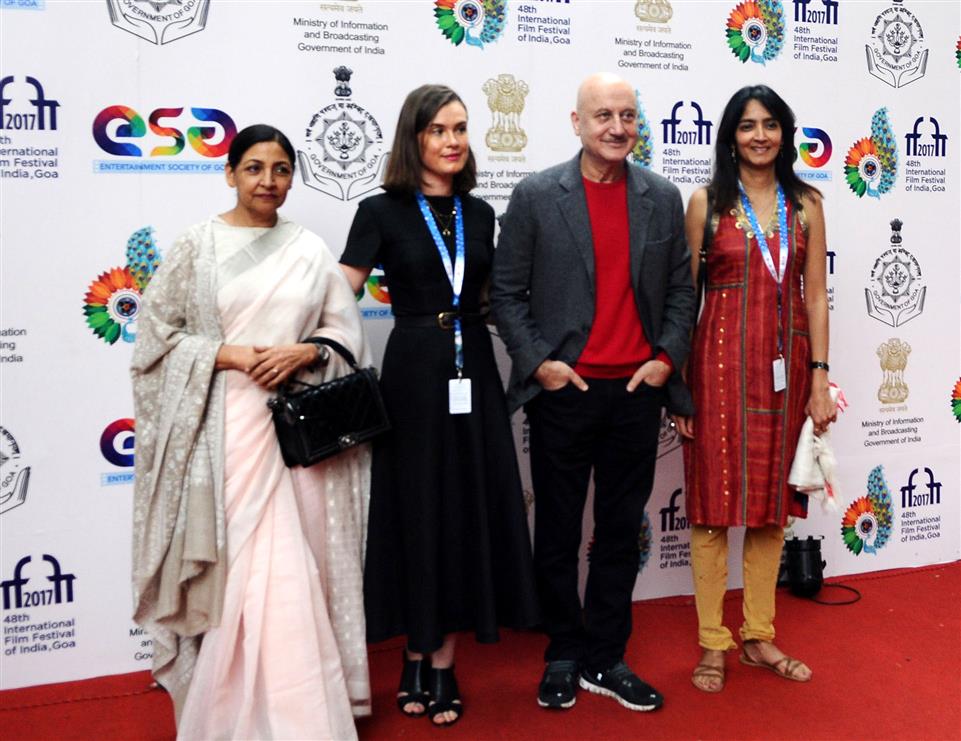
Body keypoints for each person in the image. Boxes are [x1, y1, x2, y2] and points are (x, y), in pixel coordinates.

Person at [131, 124, 371, 740]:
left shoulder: (309, 249)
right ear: (230, 172)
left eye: (282, 169)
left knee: (290, 564)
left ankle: (301, 716)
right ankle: (225, 708)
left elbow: (347, 338)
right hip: (221, 430)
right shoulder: (197, 246)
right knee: (235, 564)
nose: (269, 181)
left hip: (292, 437)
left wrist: (304, 353)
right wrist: (232, 355)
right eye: (255, 168)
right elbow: (156, 340)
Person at [491, 72, 695, 713]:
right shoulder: (534, 195)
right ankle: (564, 651)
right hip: (566, 391)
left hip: (637, 393)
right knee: (554, 530)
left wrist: (665, 360)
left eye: (628, 115)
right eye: (603, 115)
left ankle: (606, 657)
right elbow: (504, 295)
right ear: (576, 122)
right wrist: (543, 365)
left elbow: (683, 291)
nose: (617, 127)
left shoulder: (662, 197)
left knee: (617, 531)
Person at [339, 84, 538, 727]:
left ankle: (444, 661)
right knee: (416, 507)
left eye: (460, 129)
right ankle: (413, 650)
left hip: (472, 366)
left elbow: (499, 299)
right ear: (414, 139)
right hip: (413, 367)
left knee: (464, 508)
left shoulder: (481, 215)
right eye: (438, 130)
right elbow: (337, 297)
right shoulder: (379, 211)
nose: (453, 141)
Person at [674, 85, 835, 693]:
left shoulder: (808, 205)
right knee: (713, 510)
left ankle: (758, 637)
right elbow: (685, 300)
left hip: (786, 371)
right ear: (730, 136)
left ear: (785, 133)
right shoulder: (707, 203)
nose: (760, 135)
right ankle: (713, 643)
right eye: (747, 126)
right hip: (714, 371)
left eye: (770, 124)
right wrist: (680, 389)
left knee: (770, 510)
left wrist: (819, 377)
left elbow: (815, 295)